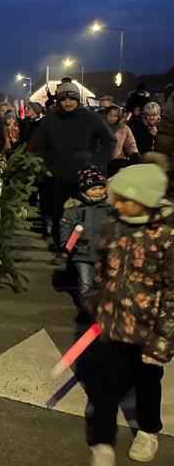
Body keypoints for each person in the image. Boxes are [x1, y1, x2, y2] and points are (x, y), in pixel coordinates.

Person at [86, 163, 174, 465]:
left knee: (147, 382)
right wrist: (97, 304)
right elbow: (102, 266)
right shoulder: (115, 224)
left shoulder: (167, 235)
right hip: (112, 323)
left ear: (147, 199)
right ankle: (102, 441)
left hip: (148, 329)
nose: (117, 203)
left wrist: (163, 342)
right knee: (105, 383)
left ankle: (148, 430)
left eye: (125, 198)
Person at [31, 82, 116, 251]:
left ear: (77, 99)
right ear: (58, 101)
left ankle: (82, 250)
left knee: (85, 215)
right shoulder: (49, 120)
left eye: (71, 99)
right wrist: (45, 167)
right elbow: (38, 147)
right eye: (63, 99)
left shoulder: (91, 118)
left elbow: (109, 141)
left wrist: (95, 164)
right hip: (57, 175)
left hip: (85, 177)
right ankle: (61, 246)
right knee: (59, 215)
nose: (68, 103)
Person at [59, 165, 110, 320]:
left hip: (102, 252)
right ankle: (85, 307)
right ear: (84, 189)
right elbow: (66, 225)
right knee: (85, 282)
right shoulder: (76, 208)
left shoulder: (109, 208)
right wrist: (65, 242)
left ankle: (99, 306)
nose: (98, 192)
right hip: (82, 252)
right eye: (93, 188)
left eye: (101, 188)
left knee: (100, 282)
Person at [101, 105, 139, 176]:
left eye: (116, 116)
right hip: (101, 161)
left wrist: (135, 154)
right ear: (106, 115)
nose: (113, 118)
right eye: (110, 115)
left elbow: (130, 143)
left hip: (117, 161)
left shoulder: (124, 128)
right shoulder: (100, 126)